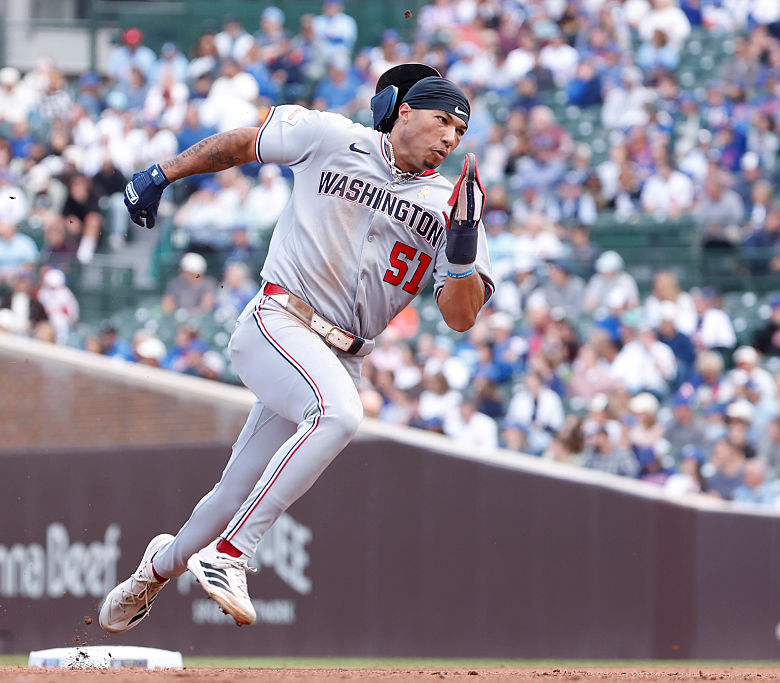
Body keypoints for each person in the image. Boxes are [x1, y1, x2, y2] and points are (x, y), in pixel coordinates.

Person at [100, 66, 493, 632]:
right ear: (403, 109)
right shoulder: (332, 137)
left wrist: (461, 248)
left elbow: (460, 317)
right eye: (442, 121)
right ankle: (234, 555)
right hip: (279, 319)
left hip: (341, 356)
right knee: (338, 415)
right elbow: (244, 142)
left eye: (460, 131)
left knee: (232, 491)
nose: (451, 138)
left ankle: (153, 573)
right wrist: (165, 172)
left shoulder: (453, 204)